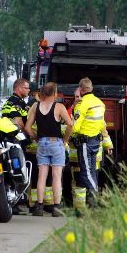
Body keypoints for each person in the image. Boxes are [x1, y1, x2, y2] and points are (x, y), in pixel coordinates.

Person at [25, 82, 72, 217]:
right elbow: (70, 124)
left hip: (42, 144)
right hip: (56, 143)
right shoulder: (59, 107)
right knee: (56, 176)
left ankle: (39, 207)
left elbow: (28, 127)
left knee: (42, 176)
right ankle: (56, 208)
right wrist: (65, 140)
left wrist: (37, 138)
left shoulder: (35, 106)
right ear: (55, 93)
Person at [71, 77, 106, 206]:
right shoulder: (100, 103)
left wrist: (67, 133)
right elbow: (102, 125)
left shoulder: (82, 104)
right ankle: (93, 201)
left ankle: (95, 196)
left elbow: (76, 127)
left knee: (85, 172)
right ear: (91, 88)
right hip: (96, 141)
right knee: (91, 171)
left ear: (81, 89)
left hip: (85, 142)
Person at [1, 78, 31, 214]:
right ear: (19, 88)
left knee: (12, 169)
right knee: (16, 170)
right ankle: (14, 201)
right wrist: (30, 134)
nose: (28, 90)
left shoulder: (11, 102)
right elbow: (19, 123)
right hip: (15, 140)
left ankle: (13, 199)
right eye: (26, 88)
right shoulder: (16, 103)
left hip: (9, 140)